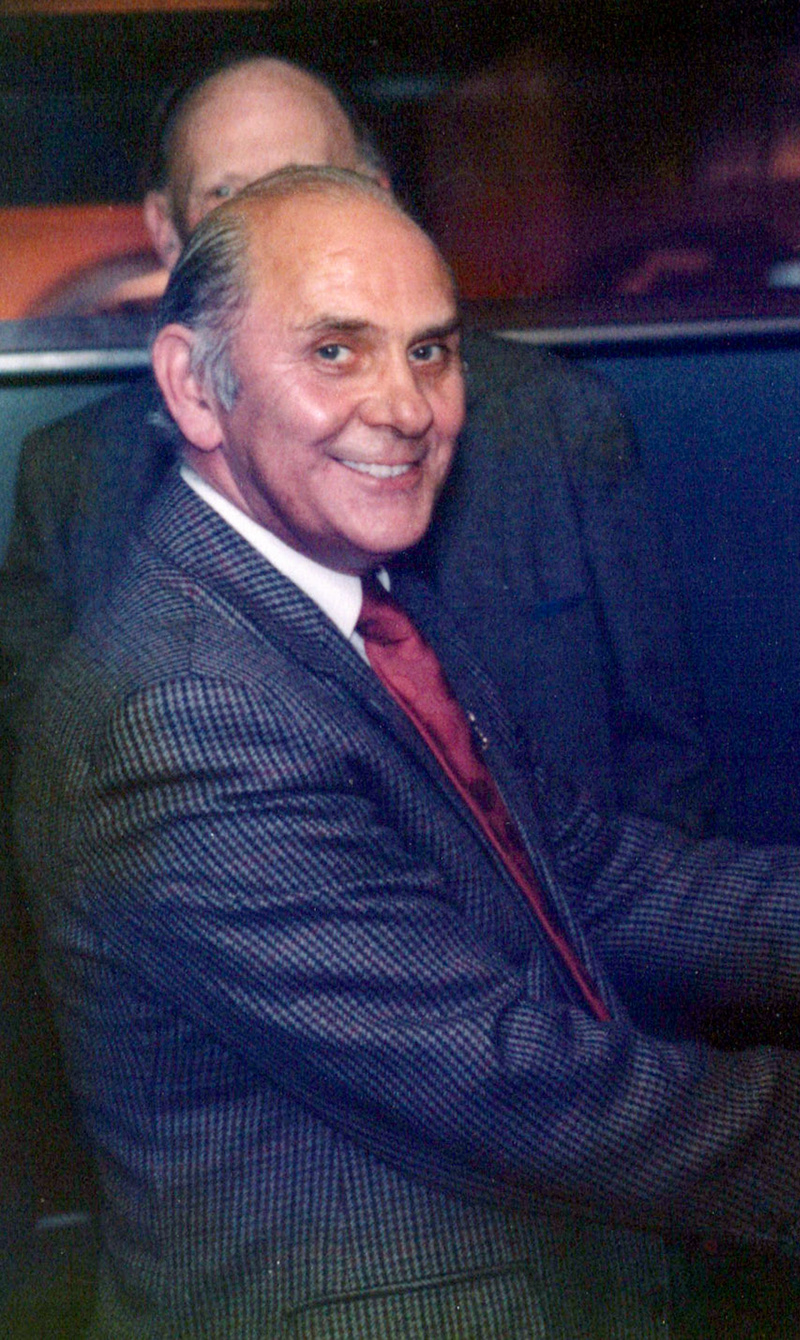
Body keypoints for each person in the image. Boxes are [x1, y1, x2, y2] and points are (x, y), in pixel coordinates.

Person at [9, 165, 800, 1337]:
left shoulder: (365, 604)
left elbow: (586, 871)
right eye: (337, 352)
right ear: (192, 385)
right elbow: (490, 1068)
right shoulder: (182, 706)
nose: (404, 405)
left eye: (431, 350)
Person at [0, 53, 716, 1256]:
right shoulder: (81, 498)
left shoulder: (532, 431)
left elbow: (655, 795)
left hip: (615, 1161)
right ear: (172, 239)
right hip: (315, 1217)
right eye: (238, 199)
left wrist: (657, 1114)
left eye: (319, 179)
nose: (398, 406)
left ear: (382, 193)